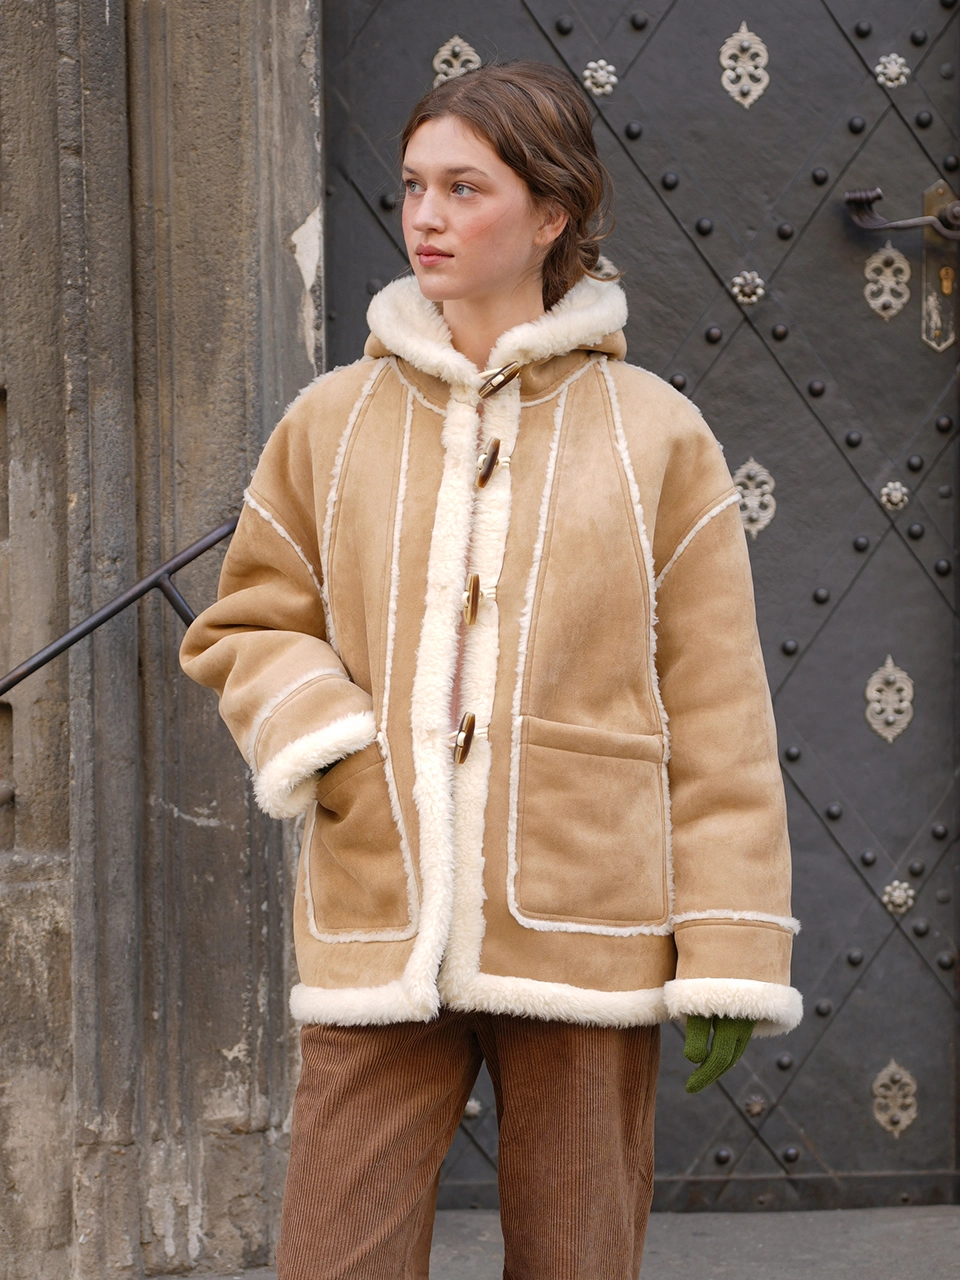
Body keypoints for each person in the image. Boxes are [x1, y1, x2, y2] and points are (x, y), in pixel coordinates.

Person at [181, 59, 801, 1280]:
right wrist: (336, 744)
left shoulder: (656, 433)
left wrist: (730, 944)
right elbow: (247, 620)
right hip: (382, 905)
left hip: (589, 920)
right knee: (335, 1257)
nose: (426, 215)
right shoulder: (331, 421)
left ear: (552, 213)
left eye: (465, 188)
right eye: (415, 185)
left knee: (577, 1257)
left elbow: (720, 706)